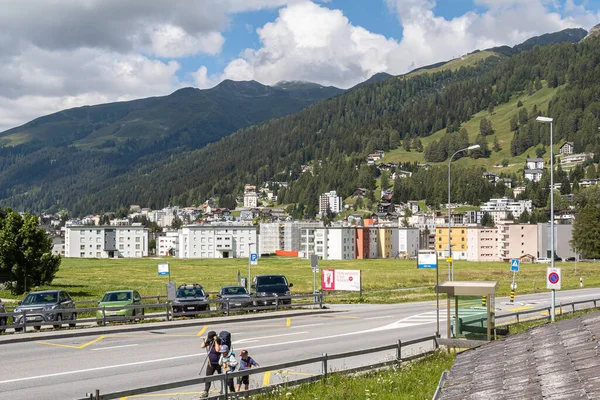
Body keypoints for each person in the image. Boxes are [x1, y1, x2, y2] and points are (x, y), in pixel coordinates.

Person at [200, 331, 221, 398]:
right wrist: (206, 339)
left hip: (219, 363)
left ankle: (224, 389)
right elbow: (202, 346)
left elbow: (217, 350)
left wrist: (216, 341)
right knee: (208, 378)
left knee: (222, 377)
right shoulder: (210, 341)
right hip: (210, 363)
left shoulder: (219, 340)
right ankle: (206, 391)